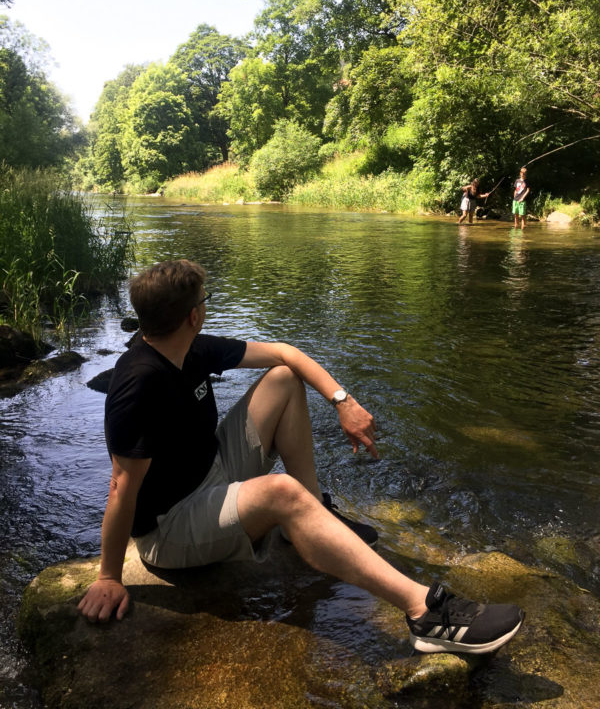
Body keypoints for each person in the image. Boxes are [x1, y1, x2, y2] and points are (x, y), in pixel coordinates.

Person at [78, 259, 524, 654]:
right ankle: (424, 613)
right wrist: (108, 578)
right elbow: (121, 487)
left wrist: (342, 401)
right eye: (205, 301)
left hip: (210, 474)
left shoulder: (192, 348)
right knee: (279, 492)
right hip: (170, 527)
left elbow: (287, 354)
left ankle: (306, 521)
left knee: (285, 379)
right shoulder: (137, 384)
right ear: (194, 314)